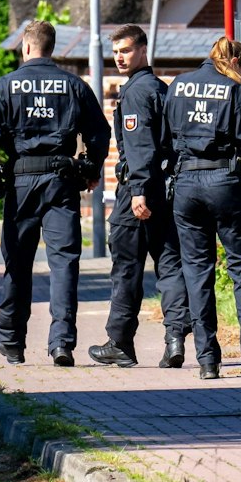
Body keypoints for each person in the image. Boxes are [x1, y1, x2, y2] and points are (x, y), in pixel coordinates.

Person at [0, 19, 111, 366]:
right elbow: (99, 133)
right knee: (64, 264)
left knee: (18, 262)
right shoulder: (73, 86)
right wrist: (89, 170)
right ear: (52, 47)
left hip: (21, 184)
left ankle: (12, 342)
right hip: (61, 183)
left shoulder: (4, 87)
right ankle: (61, 343)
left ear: (26, 47)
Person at [89, 24, 191, 369]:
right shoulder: (161, 90)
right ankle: (175, 338)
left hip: (140, 193)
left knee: (127, 269)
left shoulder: (136, 92)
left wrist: (137, 191)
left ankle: (119, 342)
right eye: (116, 51)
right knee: (170, 266)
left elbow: (140, 147)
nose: (120, 57)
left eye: (126, 50)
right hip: (165, 190)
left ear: (143, 50)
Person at [167, 37, 241, 380]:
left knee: (197, 273)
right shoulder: (234, 91)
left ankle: (208, 361)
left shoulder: (178, 86)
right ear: (236, 62)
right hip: (224, 183)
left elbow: (165, 137)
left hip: (185, 185)